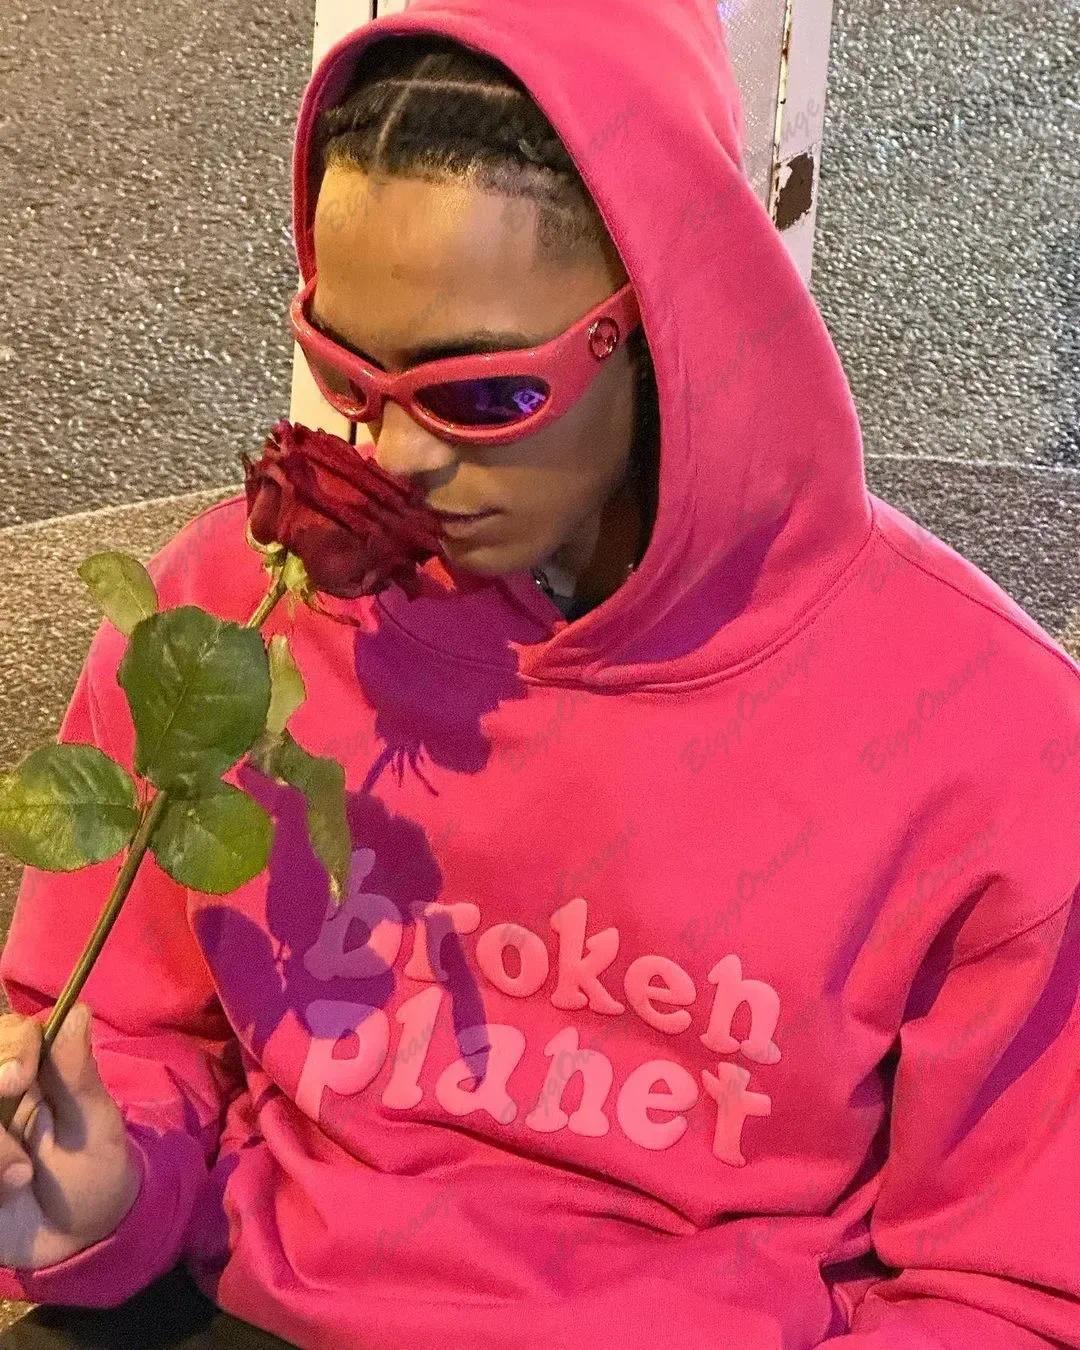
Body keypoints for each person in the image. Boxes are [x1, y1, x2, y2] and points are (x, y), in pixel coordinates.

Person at [0, 2, 1077, 1347]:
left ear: (675, 317)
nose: (395, 459)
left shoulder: (994, 746)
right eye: (347, 369)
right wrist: (94, 1189)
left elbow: (1009, 1287)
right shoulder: (229, 622)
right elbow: (124, 1032)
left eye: (484, 394)